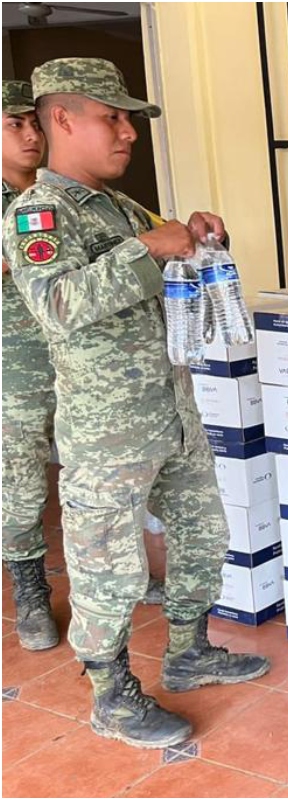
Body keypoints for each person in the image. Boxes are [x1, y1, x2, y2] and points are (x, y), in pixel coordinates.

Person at [3, 58, 270, 750]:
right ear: (62, 118)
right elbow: (58, 304)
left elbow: (164, 254)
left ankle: (188, 649)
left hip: (171, 414)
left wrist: (193, 234)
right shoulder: (38, 211)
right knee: (108, 564)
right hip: (108, 431)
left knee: (203, 534)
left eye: (130, 119)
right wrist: (148, 250)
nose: (128, 132)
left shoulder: (120, 207)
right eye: (112, 117)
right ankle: (111, 694)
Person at [2, 79, 58, 652]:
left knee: (96, 476)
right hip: (14, 373)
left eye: (33, 123)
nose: (28, 134)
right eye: (14, 124)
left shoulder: (56, 194)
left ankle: (115, 574)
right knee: (19, 486)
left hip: (78, 363)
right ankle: (31, 591)